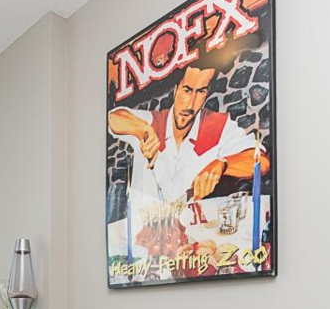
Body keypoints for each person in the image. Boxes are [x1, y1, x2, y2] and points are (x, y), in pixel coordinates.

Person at [108, 47, 270, 224]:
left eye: (200, 92)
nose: (191, 103)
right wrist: (143, 130)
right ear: (176, 89)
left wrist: (223, 164)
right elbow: (114, 118)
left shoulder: (218, 125)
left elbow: (261, 162)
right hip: (142, 238)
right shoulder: (153, 121)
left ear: (207, 94)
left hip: (189, 243)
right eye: (187, 90)